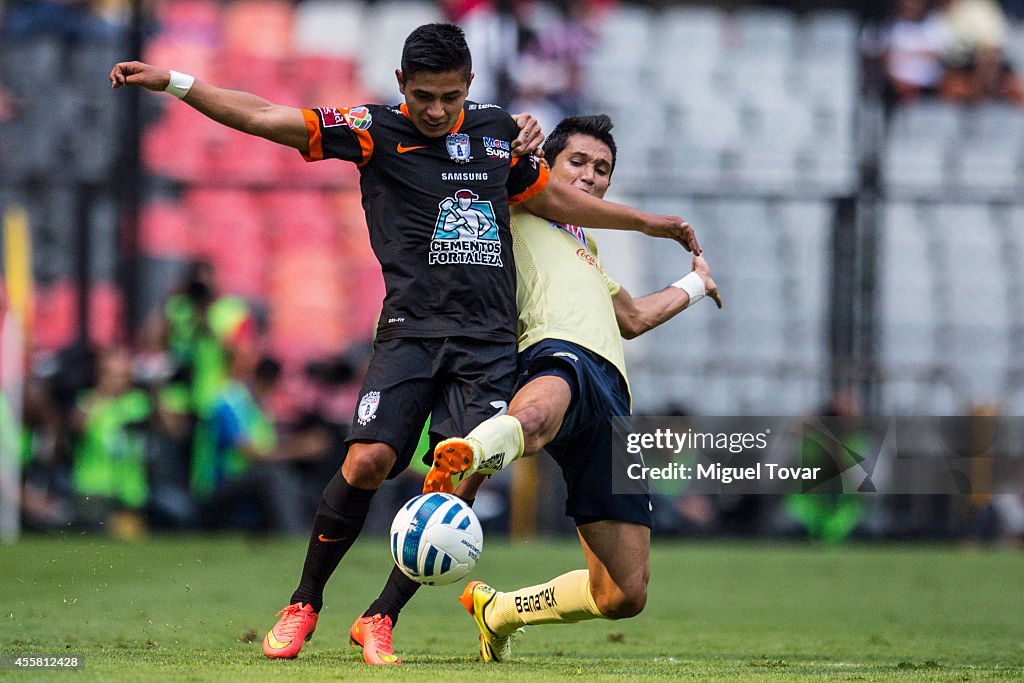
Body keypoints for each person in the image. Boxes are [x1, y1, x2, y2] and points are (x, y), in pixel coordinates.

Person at [109, 23, 700, 665]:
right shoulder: (373, 129)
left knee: (459, 481)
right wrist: (176, 82)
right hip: (410, 332)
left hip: (487, 344)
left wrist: (645, 222)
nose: (437, 111)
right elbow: (264, 114)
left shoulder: (496, 132)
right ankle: (304, 601)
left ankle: (381, 617)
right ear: (400, 85)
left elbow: (554, 195)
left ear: (469, 86)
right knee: (367, 461)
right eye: (423, 96)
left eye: (450, 96)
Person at [357, 114, 721, 664]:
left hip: (612, 394)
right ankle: (471, 451)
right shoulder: (517, 200)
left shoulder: (585, 246)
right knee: (540, 414)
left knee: (624, 592)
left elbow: (633, 317)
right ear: (547, 165)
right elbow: (471, 156)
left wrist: (696, 284)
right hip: (552, 351)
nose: (592, 176)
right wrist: (514, 139)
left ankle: (499, 613)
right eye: (579, 162)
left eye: (603, 169)